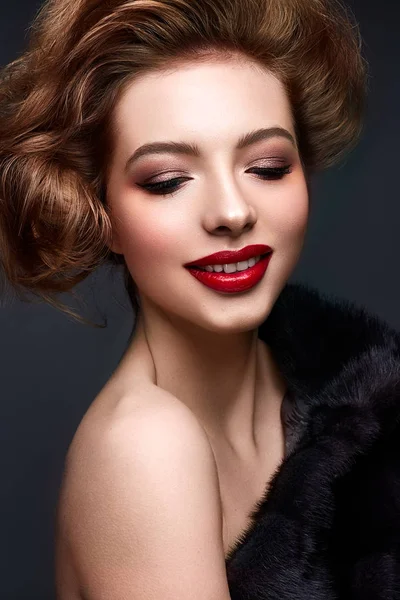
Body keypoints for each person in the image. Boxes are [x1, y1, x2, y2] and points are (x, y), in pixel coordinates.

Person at [1, 0, 399, 599]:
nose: (232, 212)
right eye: (167, 180)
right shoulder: (144, 451)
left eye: (266, 167)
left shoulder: (355, 388)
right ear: (100, 213)